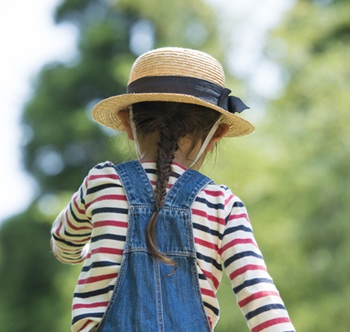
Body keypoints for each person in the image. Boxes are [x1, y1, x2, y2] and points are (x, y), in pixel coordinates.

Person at [51, 47, 295, 332]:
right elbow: (260, 297)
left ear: (126, 123)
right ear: (217, 134)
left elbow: (64, 245)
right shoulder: (221, 205)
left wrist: (90, 250)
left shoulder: (102, 183)